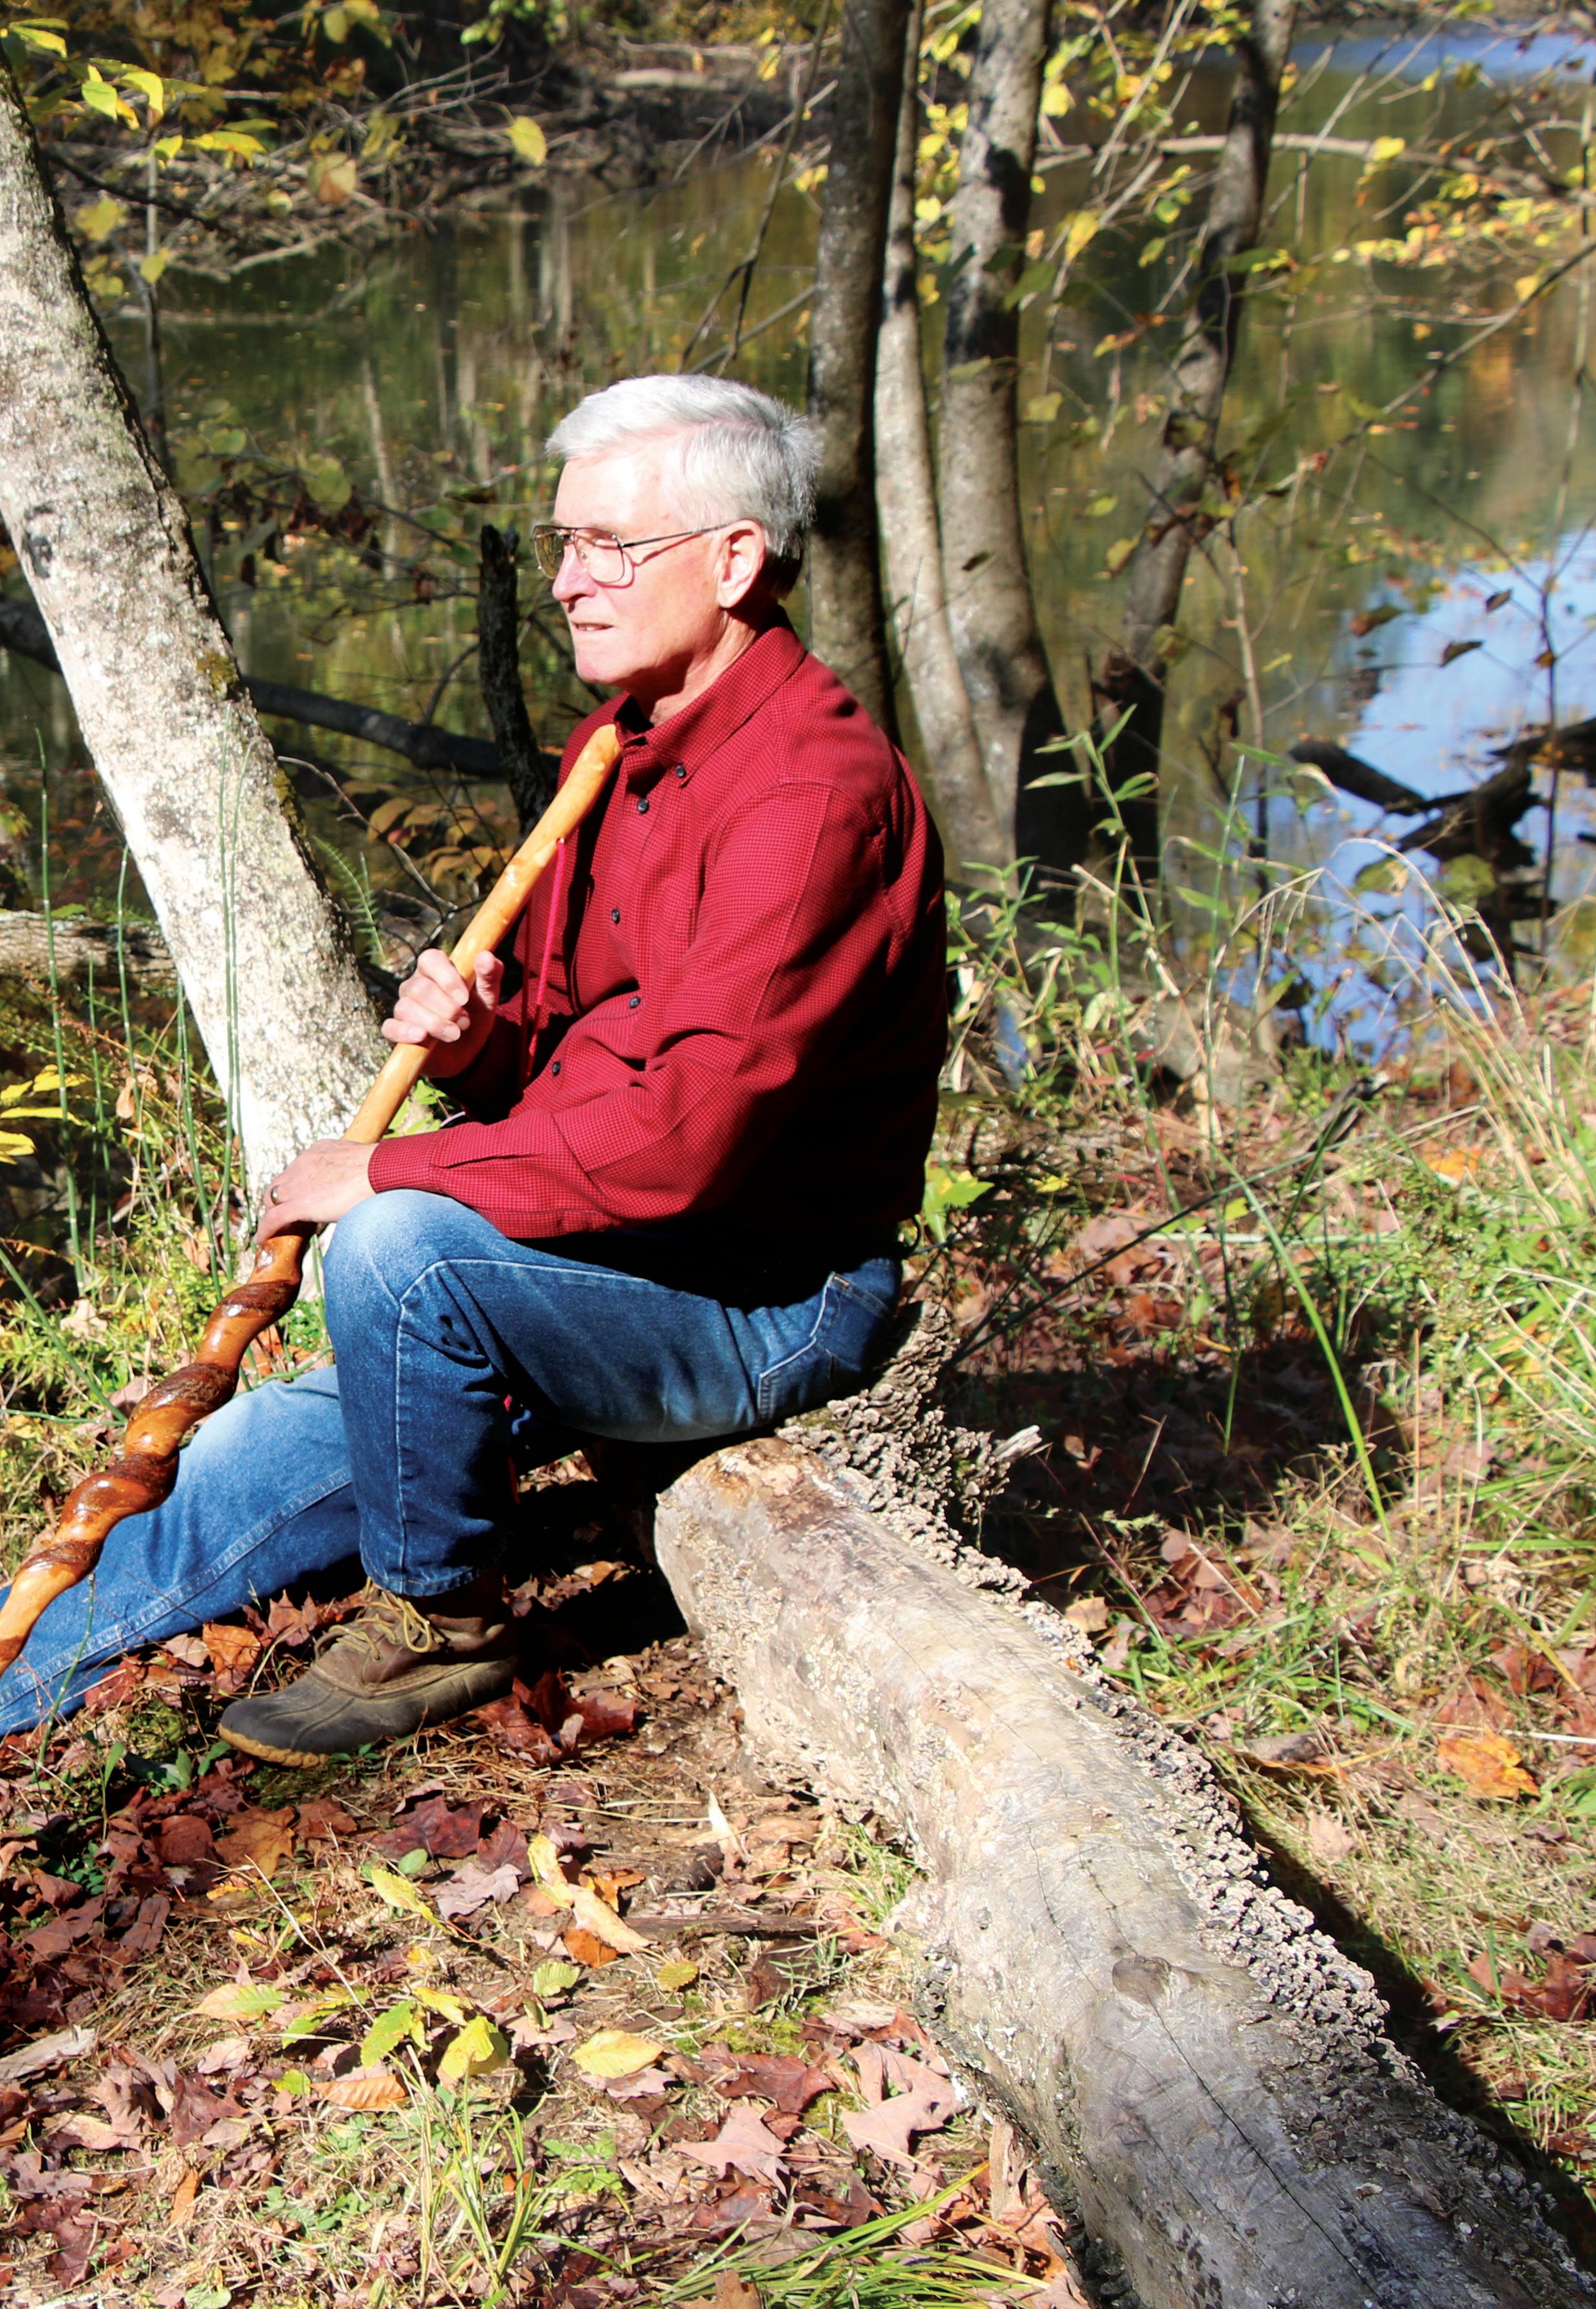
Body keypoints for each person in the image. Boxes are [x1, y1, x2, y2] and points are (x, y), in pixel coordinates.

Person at [0, 375, 947, 1760]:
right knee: (229, 1471)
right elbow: (572, 1064)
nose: (566, 582)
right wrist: (484, 1046)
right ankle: (13, 1683)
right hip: (592, 1264)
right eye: (565, 544)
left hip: (763, 1298)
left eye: (610, 546)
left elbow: (682, 1142)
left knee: (401, 1250)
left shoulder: (807, 799)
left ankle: (446, 1619)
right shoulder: (619, 746)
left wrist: (391, 1169)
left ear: (736, 560)